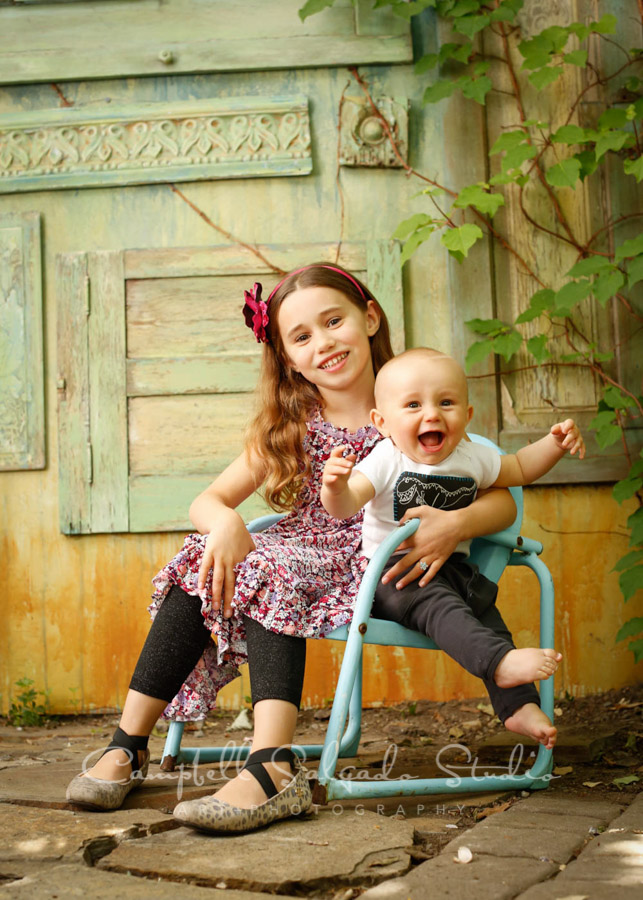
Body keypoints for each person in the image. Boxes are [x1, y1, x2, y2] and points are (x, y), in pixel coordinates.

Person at [66, 269, 517, 834]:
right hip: (295, 553)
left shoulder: (418, 406)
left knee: (264, 564)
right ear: (288, 360)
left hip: (375, 566)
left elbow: (504, 498)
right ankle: (127, 743)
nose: (323, 342)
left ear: (369, 318)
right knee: (202, 558)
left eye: (334, 321)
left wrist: (459, 523)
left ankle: (272, 767)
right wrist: (225, 523)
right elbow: (207, 499)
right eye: (301, 337)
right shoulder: (294, 427)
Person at [321, 348, 585, 750]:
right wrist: (335, 486)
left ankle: (519, 709)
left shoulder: (473, 456)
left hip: (455, 570)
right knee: (442, 608)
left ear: (468, 414)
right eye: (413, 405)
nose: (432, 414)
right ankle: (499, 664)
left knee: (489, 618)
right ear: (381, 421)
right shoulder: (385, 459)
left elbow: (520, 468)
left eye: (446, 402)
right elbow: (346, 505)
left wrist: (553, 443)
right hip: (394, 576)